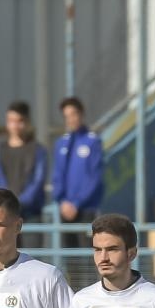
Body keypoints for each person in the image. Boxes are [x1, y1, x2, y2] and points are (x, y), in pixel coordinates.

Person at [52, 97, 103, 284]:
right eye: (67, 116)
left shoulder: (92, 142)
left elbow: (94, 178)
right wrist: (62, 200)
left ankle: (92, 294)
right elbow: (57, 175)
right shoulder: (62, 144)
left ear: (81, 115)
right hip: (65, 210)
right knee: (70, 258)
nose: (70, 119)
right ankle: (74, 297)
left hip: (86, 210)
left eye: (73, 115)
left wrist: (77, 203)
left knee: (89, 257)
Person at [0, 101, 47, 219]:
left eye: (19, 121)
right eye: (11, 121)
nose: (15, 125)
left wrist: (19, 203)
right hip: (5, 214)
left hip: (31, 214)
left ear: (27, 122)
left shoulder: (38, 150)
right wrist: (5, 203)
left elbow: (38, 181)